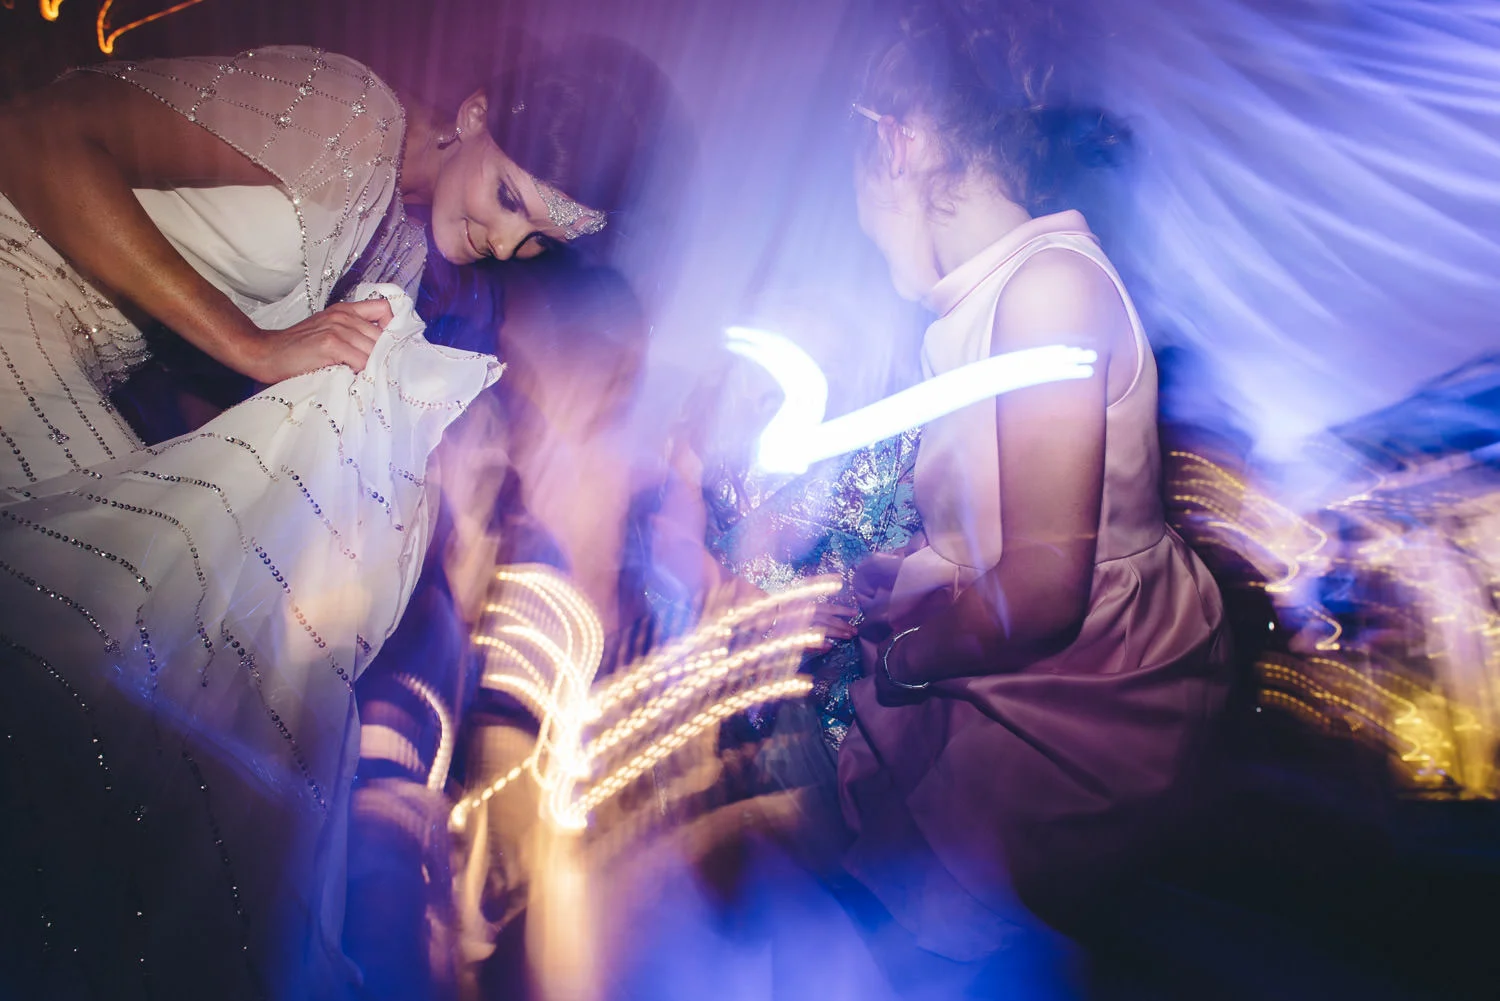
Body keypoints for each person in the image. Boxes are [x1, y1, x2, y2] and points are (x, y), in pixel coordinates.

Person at [0, 38, 672, 1001]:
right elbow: (33, 136)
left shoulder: (401, 253)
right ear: (476, 116)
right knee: (91, 661)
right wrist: (255, 347)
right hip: (13, 289)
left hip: (78, 366)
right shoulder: (347, 114)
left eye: (537, 238)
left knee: (156, 725)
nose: (506, 242)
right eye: (510, 197)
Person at [824, 1, 1230, 987]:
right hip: (1016, 678)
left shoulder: (1048, 290)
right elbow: (1003, 524)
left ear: (896, 141)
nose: (862, 227)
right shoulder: (996, 298)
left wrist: (909, 655)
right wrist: (911, 572)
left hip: (1072, 712)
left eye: (858, 193)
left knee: (941, 944)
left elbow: (1043, 588)